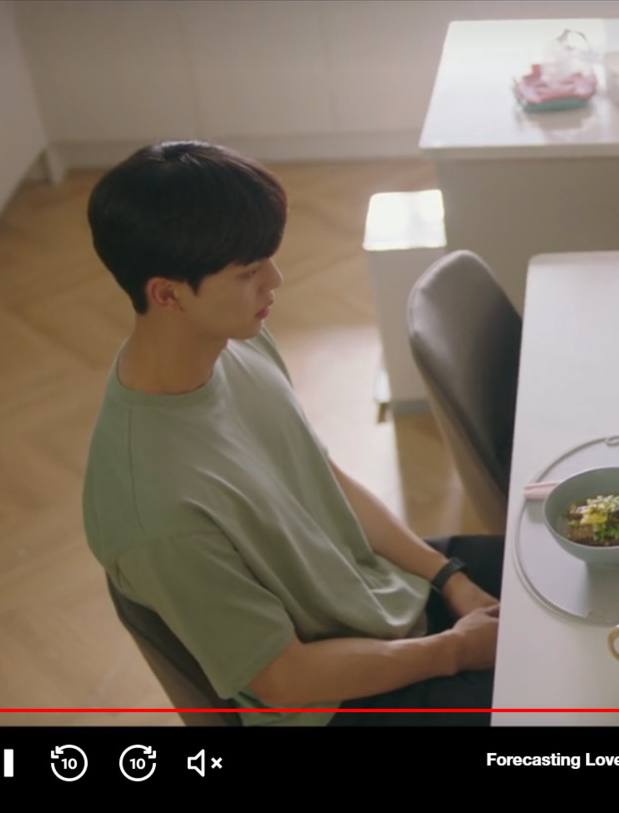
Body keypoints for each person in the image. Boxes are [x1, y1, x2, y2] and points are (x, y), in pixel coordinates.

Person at [82, 140, 503, 725]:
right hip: (337, 700)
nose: (275, 282)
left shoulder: (237, 341)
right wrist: (453, 649)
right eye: (250, 271)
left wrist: (448, 578)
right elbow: (285, 678)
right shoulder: (155, 510)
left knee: (571, 569)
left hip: (381, 596)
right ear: (167, 293)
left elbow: (321, 476)